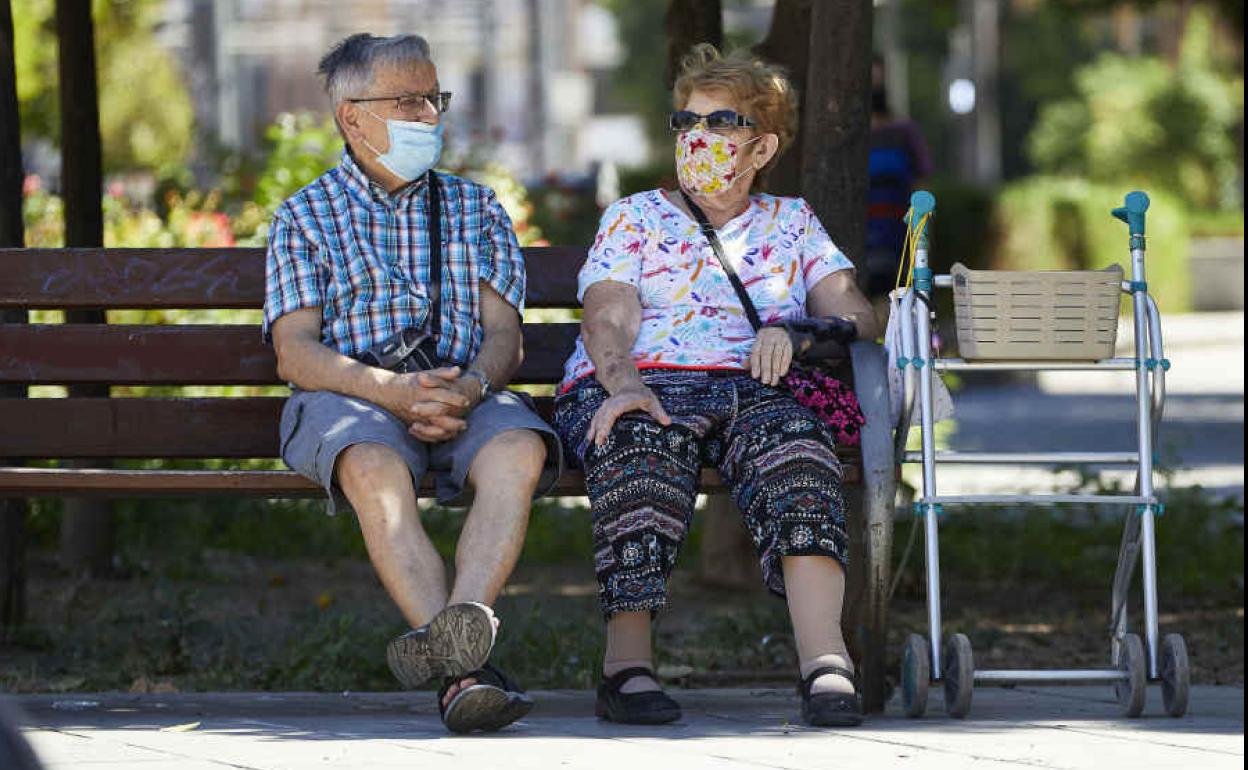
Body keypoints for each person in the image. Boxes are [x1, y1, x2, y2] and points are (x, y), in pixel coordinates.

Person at [551, 44, 881, 728]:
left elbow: (855, 311)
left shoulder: (792, 222)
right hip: (644, 381)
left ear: (760, 148)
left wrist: (799, 332)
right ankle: (627, 668)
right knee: (640, 447)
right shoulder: (636, 217)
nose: (696, 138)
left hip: (751, 387)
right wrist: (622, 386)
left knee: (798, 452)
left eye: (719, 123)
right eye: (686, 123)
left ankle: (826, 665)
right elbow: (607, 313)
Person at [263, 33, 562, 734]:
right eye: (409, 100)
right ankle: (466, 672)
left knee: (520, 451)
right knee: (370, 468)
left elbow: (504, 339)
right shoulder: (306, 215)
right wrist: (392, 393)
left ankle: (455, 662)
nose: (430, 113)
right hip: (352, 401)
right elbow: (295, 354)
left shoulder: (476, 208)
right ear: (353, 117)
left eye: (435, 97)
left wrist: (473, 389)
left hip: (468, 394)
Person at [863, 54, 932, 299]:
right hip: (862, 228)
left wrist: (920, 227)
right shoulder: (852, 135)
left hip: (898, 228)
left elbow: (921, 180)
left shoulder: (904, 132)